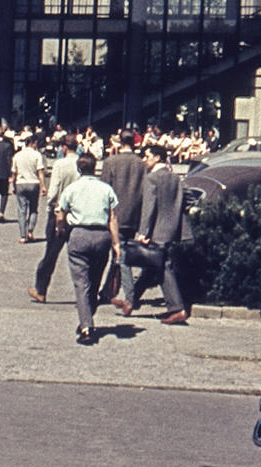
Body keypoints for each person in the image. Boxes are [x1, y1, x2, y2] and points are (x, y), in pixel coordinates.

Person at [56, 154, 121, 345]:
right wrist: (116, 243)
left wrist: (60, 228)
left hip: (79, 235)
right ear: (95, 168)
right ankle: (88, 314)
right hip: (102, 236)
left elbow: (61, 214)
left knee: (80, 283)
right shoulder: (106, 189)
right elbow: (113, 218)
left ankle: (86, 326)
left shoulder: (72, 189)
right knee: (94, 279)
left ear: (78, 169)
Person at [130, 143, 192, 324]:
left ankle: (177, 309)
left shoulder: (151, 179)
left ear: (157, 157)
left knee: (163, 266)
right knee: (154, 266)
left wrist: (143, 232)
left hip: (156, 230)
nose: (144, 160)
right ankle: (131, 300)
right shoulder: (175, 177)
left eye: (146, 156)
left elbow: (148, 209)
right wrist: (175, 213)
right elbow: (189, 197)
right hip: (172, 230)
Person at [97, 132, 147, 314]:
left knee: (121, 255)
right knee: (118, 252)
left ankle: (130, 295)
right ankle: (107, 291)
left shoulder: (110, 162)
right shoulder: (142, 163)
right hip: (134, 214)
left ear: (119, 141)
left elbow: (104, 189)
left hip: (115, 215)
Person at [30, 132, 81, 303]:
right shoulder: (82, 163)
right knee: (79, 258)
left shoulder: (60, 164)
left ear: (64, 147)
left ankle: (41, 289)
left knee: (51, 254)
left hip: (59, 213)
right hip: (78, 213)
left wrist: (50, 205)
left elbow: (54, 189)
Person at [11, 134, 45, 242]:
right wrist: (43, 186)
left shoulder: (17, 155)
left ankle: (22, 235)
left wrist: (14, 185)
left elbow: (13, 173)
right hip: (34, 183)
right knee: (33, 209)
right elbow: (40, 172)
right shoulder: (37, 155)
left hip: (20, 183)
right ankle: (30, 231)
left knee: (22, 210)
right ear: (34, 143)